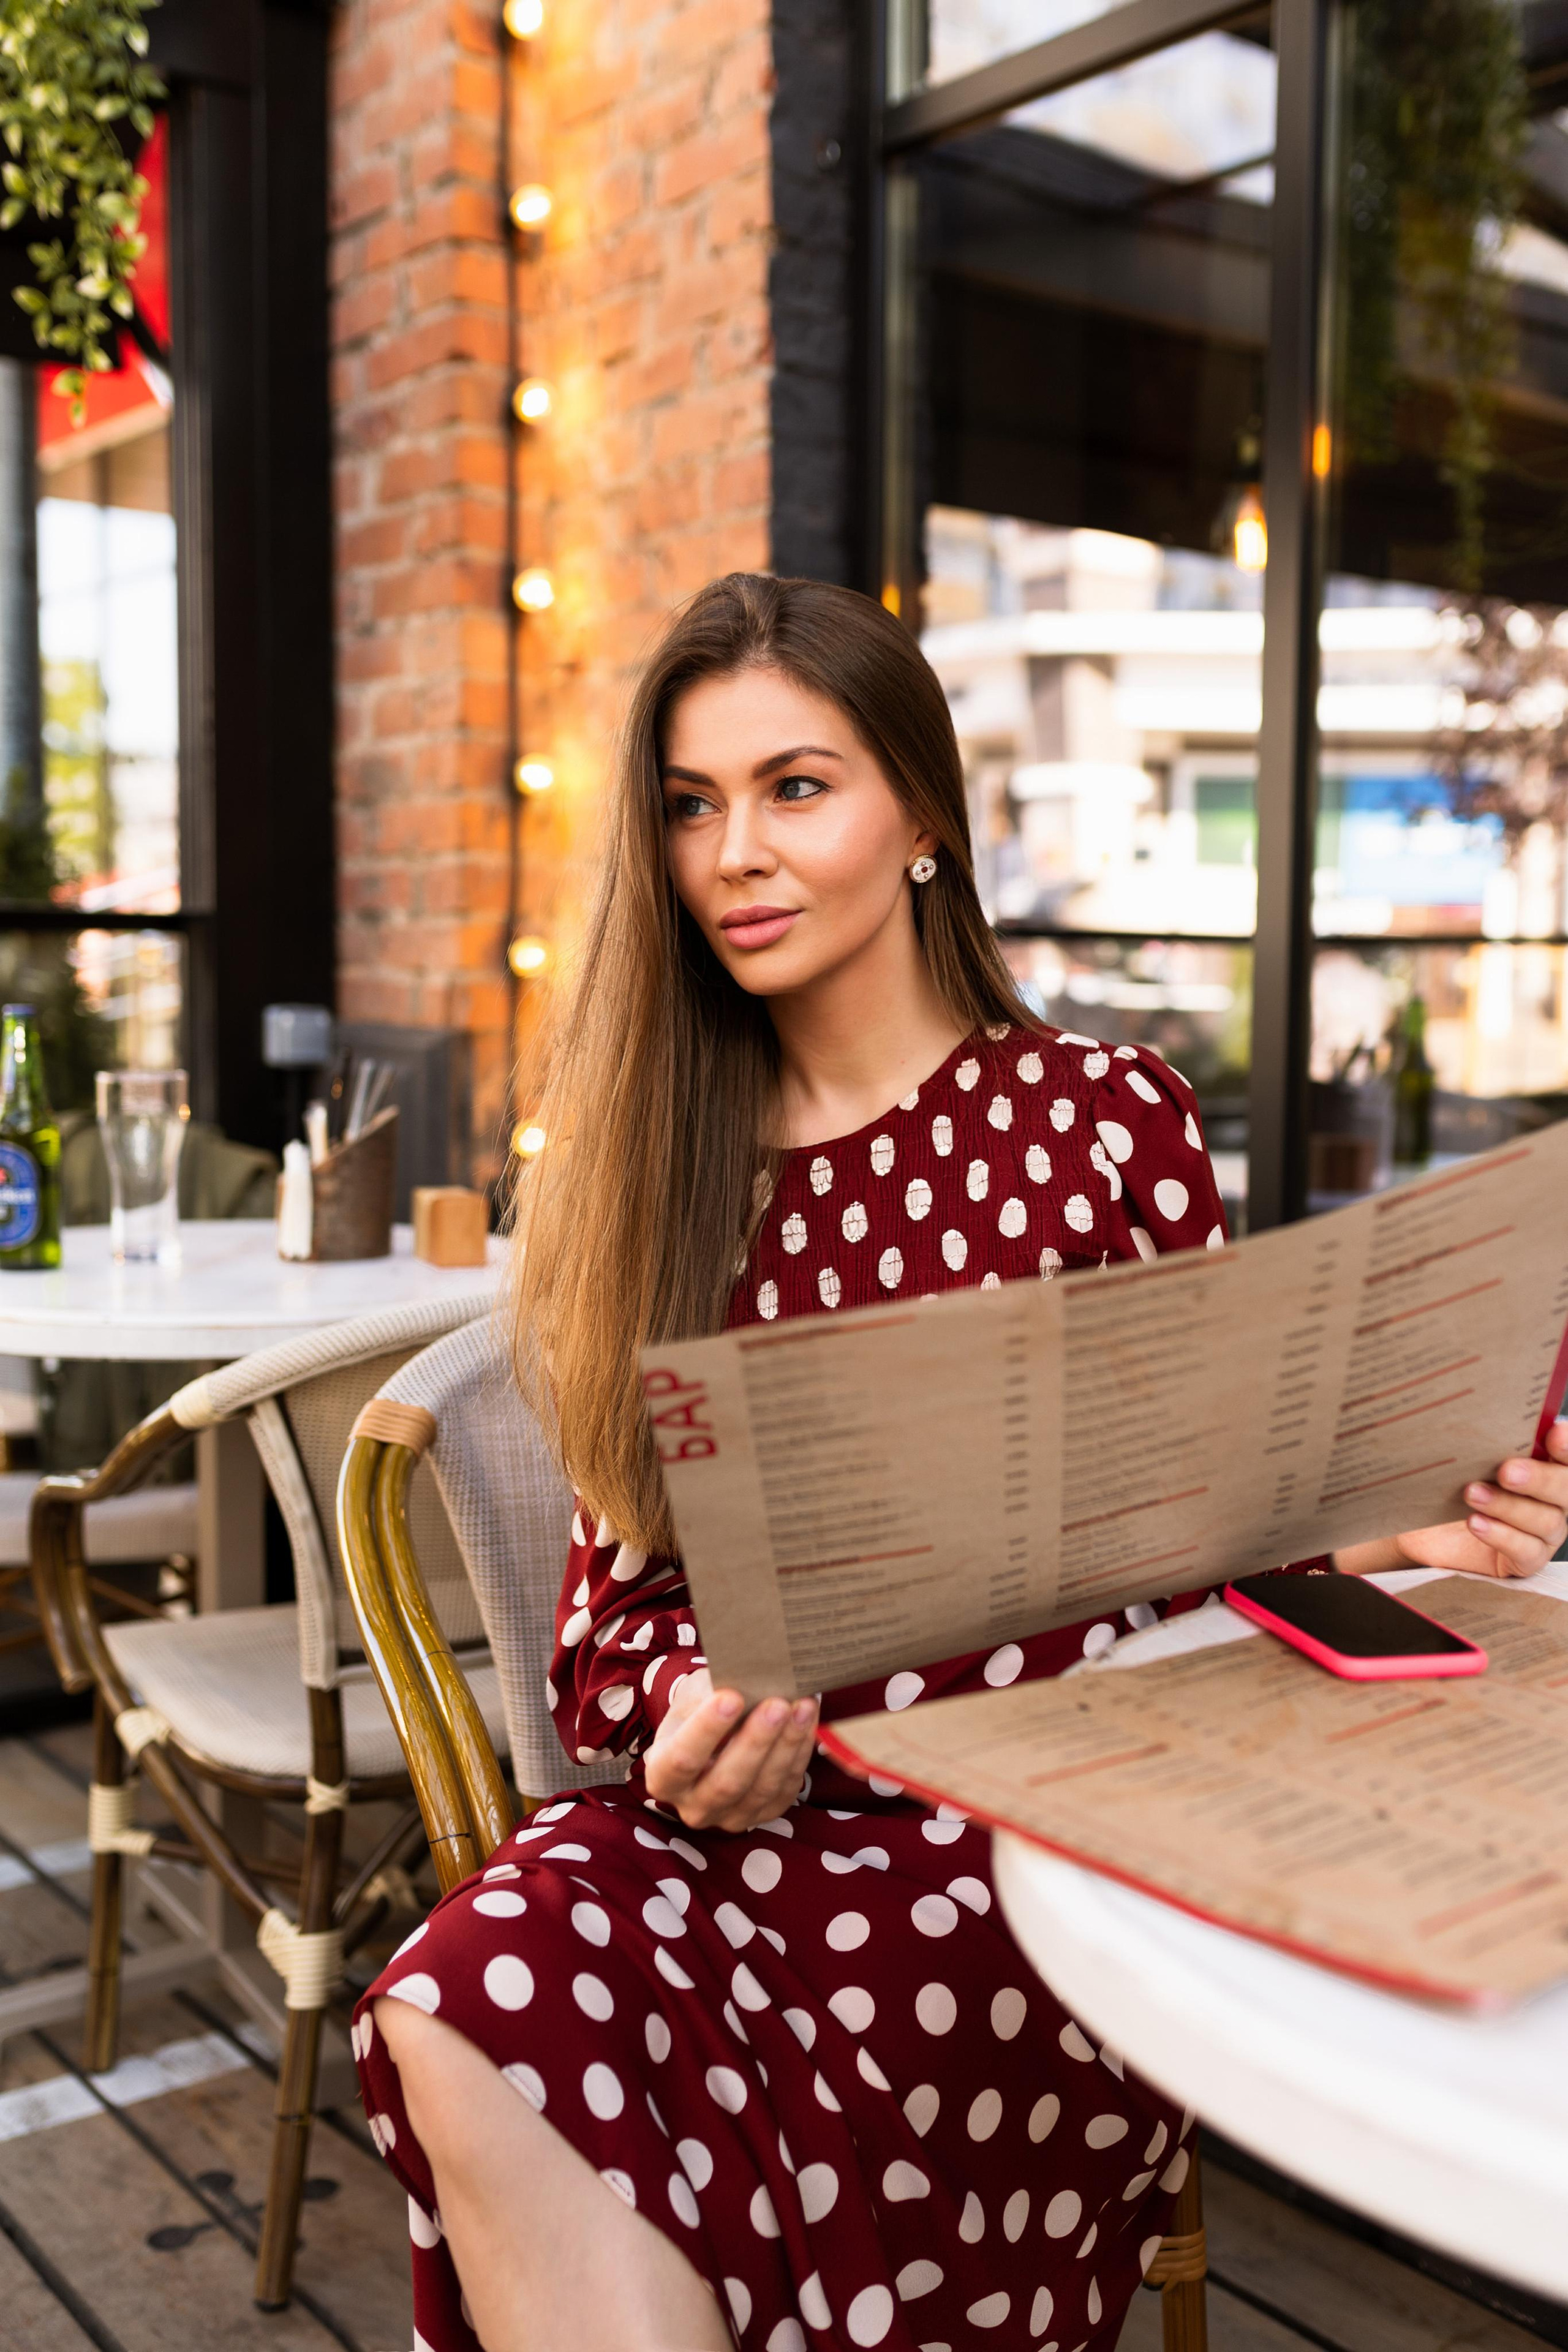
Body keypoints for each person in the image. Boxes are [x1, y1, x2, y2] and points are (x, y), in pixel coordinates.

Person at [356, 575, 1568, 2352]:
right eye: (691, 805)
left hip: (1028, 1845)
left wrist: (1404, 1526)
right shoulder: (655, 1172)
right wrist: (698, 1710)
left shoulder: (1103, 1122)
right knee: (457, 1997)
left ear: (922, 812)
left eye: (795, 787)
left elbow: (1206, 1544)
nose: (733, 857)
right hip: (743, 1830)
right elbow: (605, 1639)